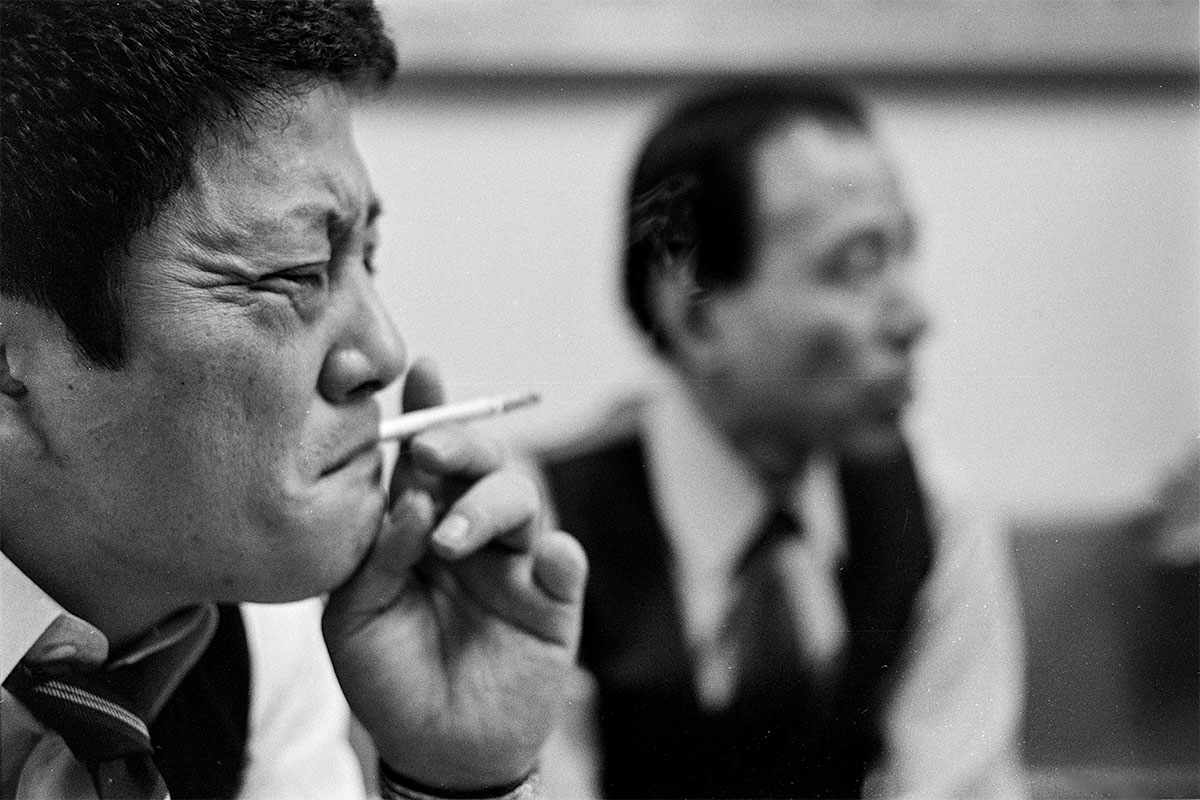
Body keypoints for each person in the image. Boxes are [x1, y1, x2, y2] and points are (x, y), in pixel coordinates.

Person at [0, 2, 587, 799]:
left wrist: (458, 778)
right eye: (295, 272)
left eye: (366, 257)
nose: (383, 354)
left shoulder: (254, 629)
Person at [537, 83, 1027, 799]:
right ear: (697, 313)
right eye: (856, 265)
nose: (913, 318)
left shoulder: (933, 514)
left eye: (903, 254)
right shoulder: (547, 536)